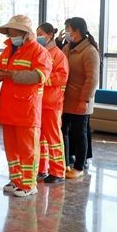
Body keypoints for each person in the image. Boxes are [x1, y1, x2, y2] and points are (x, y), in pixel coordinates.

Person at [0, 15, 52, 197]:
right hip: (8, 107)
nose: (12, 35)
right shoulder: (7, 50)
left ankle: (29, 184)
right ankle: (16, 180)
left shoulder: (39, 51)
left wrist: (11, 75)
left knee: (28, 149)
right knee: (11, 147)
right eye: (10, 32)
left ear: (25, 33)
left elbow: (40, 76)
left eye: (15, 32)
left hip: (27, 109)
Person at [61, 17, 100, 179]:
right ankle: (64, 163)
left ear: (76, 30)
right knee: (63, 131)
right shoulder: (67, 47)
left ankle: (78, 167)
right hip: (65, 99)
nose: (66, 32)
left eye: (68, 29)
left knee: (80, 133)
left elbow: (91, 79)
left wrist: (84, 100)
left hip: (80, 100)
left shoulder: (89, 51)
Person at [35, 23, 69, 183]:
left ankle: (58, 171)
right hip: (38, 102)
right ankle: (42, 169)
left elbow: (62, 76)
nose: (38, 36)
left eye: (40, 33)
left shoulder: (58, 55)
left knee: (54, 138)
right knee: (40, 138)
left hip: (52, 103)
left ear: (49, 35)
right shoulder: (39, 52)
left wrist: (42, 78)